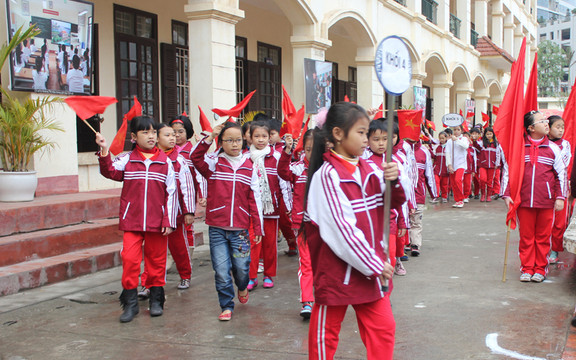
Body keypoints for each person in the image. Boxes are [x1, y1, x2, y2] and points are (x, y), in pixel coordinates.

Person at [305, 102, 397, 360]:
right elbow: (342, 232)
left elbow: (395, 203)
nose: (367, 139)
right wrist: (375, 264)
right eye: (361, 132)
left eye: (367, 133)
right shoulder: (328, 176)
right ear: (337, 134)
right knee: (325, 336)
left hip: (368, 271)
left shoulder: (370, 170)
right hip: (338, 273)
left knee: (384, 329)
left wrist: (395, 180)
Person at [95, 116, 177, 322]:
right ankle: (130, 304)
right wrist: (104, 150)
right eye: (145, 132)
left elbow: (171, 193)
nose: (150, 137)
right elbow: (110, 171)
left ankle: (157, 300)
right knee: (130, 261)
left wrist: (168, 220)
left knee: (156, 262)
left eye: (153, 133)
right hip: (132, 220)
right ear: (134, 137)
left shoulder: (165, 162)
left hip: (157, 222)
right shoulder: (127, 159)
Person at [191, 122, 263, 321]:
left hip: (240, 228)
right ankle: (226, 305)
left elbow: (254, 198)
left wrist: (258, 226)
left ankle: (242, 286)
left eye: (238, 140)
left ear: (244, 141)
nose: (234, 144)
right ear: (221, 142)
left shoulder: (249, 167)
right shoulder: (214, 163)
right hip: (217, 229)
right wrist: (209, 137)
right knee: (221, 271)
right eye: (229, 140)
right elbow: (195, 157)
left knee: (241, 268)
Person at [502, 111, 566, 283]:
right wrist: (507, 194)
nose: (547, 124)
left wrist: (560, 197)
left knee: (543, 237)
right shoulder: (520, 148)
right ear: (530, 128)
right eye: (542, 121)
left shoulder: (553, 148)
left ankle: (540, 269)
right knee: (526, 237)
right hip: (523, 202)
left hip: (546, 202)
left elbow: (561, 174)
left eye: (546, 121)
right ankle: (527, 268)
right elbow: (509, 172)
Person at [139, 124, 195, 297]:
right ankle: (148, 284)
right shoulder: (150, 158)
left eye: (174, 135)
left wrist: (188, 211)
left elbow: (187, 186)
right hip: (155, 213)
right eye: (167, 135)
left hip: (176, 213)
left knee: (179, 248)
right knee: (152, 251)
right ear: (156, 138)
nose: (173, 138)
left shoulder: (180, 160)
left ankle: (185, 275)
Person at [246, 120, 291, 290]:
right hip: (252, 211)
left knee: (270, 244)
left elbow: (284, 183)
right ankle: (251, 277)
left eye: (264, 136)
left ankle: (268, 275)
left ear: (269, 137)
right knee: (252, 243)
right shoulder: (245, 158)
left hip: (271, 208)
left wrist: (287, 206)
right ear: (250, 138)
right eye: (256, 136)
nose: (260, 140)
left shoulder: (276, 157)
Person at [278, 129, 314, 318]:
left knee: (325, 264)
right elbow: (283, 172)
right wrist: (287, 151)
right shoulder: (298, 168)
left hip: (325, 226)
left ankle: (327, 298)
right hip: (303, 225)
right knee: (306, 263)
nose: (312, 154)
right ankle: (307, 301)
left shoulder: (329, 169)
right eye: (308, 149)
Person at [548, 115, 571, 264]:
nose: (561, 130)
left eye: (562, 127)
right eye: (557, 126)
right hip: (544, 188)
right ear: (548, 128)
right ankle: (543, 249)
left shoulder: (566, 145)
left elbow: (562, 164)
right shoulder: (542, 143)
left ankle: (555, 250)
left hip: (560, 188)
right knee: (545, 221)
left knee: (559, 222)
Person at [445, 125, 469, 208]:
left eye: (458, 129)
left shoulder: (464, 139)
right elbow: (447, 153)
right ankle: (457, 200)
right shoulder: (449, 141)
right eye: (454, 129)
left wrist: (457, 140)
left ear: (461, 131)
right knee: (454, 183)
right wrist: (449, 164)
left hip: (461, 164)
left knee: (458, 179)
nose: (456, 131)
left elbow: (466, 146)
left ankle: (461, 199)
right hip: (452, 165)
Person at [475, 127, 500, 202]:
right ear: (484, 135)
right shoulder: (481, 143)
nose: (489, 135)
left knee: (490, 181)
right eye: (487, 134)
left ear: (493, 134)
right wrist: (474, 140)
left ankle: (488, 195)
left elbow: (498, 154)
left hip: (492, 166)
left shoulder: (496, 144)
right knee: (482, 179)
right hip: (483, 165)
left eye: (490, 134)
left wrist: (497, 163)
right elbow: (476, 146)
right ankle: (483, 194)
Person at [432, 131, 450, 203]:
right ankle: (435, 196)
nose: (441, 140)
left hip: (445, 169)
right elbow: (433, 156)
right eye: (440, 138)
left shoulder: (449, 147)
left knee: (444, 184)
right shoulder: (436, 147)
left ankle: (444, 196)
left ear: (446, 138)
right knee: (436, 182)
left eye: (443, 138)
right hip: (437, 168)